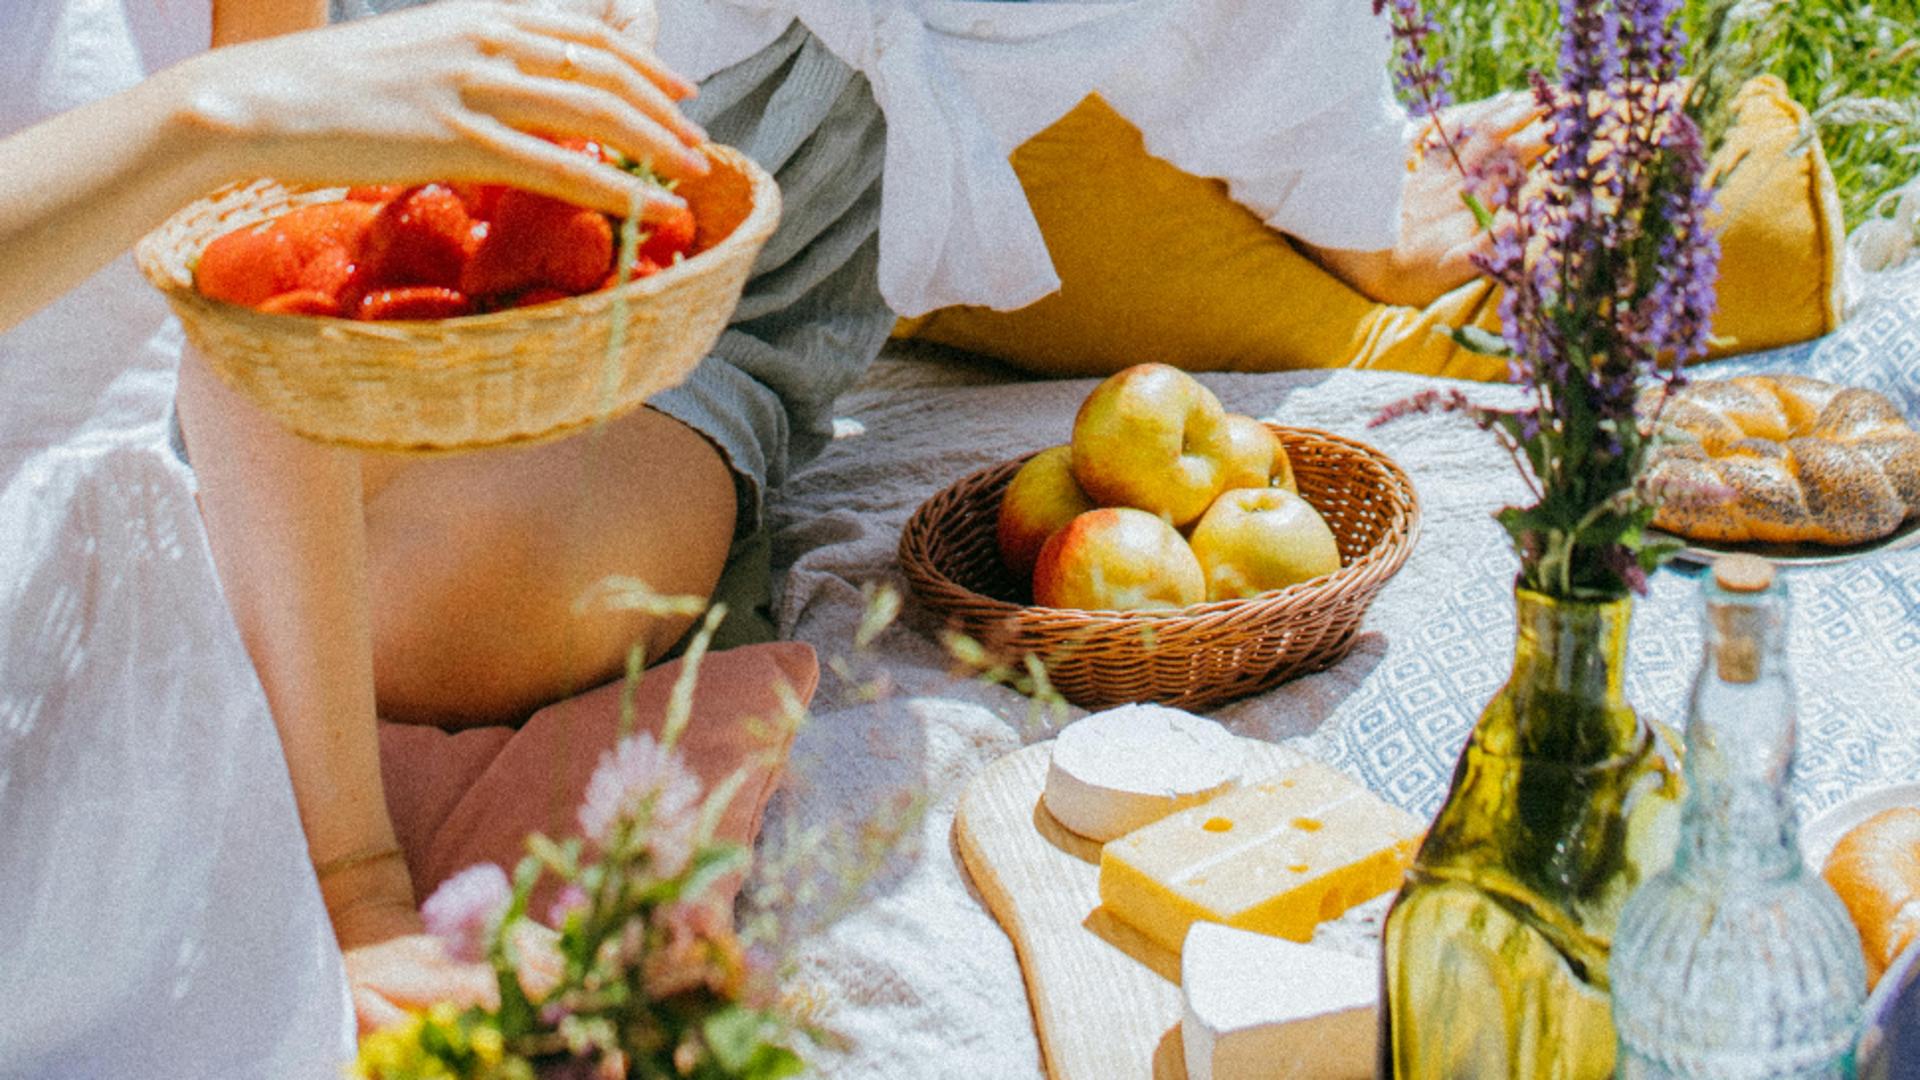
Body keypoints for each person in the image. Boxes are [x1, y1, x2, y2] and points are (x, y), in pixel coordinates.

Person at [1, 0, 1526, 1070]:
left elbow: (1274, 74)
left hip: (695, 349)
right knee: (261, 557)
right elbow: (255, 189)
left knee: (389, 601)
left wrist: (1402, 207)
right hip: (388, 263)